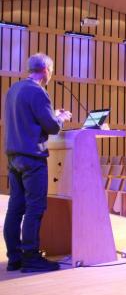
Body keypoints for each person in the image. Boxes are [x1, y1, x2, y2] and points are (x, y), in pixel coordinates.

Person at [3, 53, 72, 272]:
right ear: (45, 70)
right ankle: (31, 257)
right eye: (51, 71)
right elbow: (52, 127)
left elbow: (28, 119)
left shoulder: (14, 89)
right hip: (32, 157)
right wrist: (60, 117)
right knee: (35, 207)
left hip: (14, 156)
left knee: (16, 208)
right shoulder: (38, 91)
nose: (51, 75)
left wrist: (52, 114)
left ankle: (15, 257)